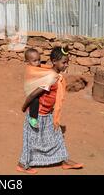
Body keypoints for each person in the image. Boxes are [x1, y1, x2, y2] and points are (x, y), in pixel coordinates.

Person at [17, 46, 84, 174]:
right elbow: (33, 95)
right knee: (31, 140)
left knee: (57, 136)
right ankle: (22, 164)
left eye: (67, 62)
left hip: (48, 113)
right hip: (37, 114)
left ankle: (64, 160)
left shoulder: (54, 75)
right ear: (54, 61)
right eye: (64, 62)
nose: (66, 65)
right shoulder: (50, 77)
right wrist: (24, 107)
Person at [23, 48, 58, 129]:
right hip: (31, 90)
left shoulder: (37, 67)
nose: (38, 63)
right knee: (35, 100)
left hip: (37, 88)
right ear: (27, 62)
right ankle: (33, 118)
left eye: (39, 60)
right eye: (35, 61)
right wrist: (24, 106)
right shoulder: (30, 69)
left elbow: (45, 68)